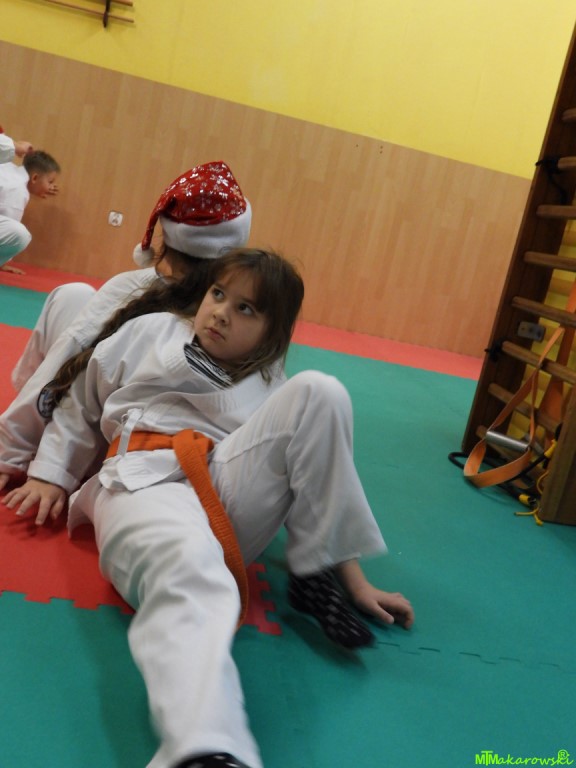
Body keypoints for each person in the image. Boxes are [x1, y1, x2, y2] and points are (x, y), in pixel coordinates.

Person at [4, 248, 414, 768]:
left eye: (246, 309)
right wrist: (50, 473)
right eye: (219, 295)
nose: (221, 312)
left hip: (224, 490)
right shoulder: (151, 331)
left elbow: (309, 474)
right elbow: (81, 402)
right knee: (192, 569)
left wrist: (355, 581)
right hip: (144, 481)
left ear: (272, 332)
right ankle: (203, 748)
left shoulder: (270, 381)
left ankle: (315, 573)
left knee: (323, 392)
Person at [0, 160, 252, 488]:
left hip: (112, 451)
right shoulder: (229, 313)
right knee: (74, 298)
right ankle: (33, 429)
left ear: (165, 240)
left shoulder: (139, 294)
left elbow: (74, 369)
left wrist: (12, 450)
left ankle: (30, 430)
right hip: (127, 444)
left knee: (73, 304)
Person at [0, 149, 61, 274]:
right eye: (50, 182)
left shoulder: (8, 167)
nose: (50, 187)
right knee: (21, 235)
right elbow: (9, 229)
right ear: (35, 178)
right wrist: (3, 262)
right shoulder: (18, 190)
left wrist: (41, 187)